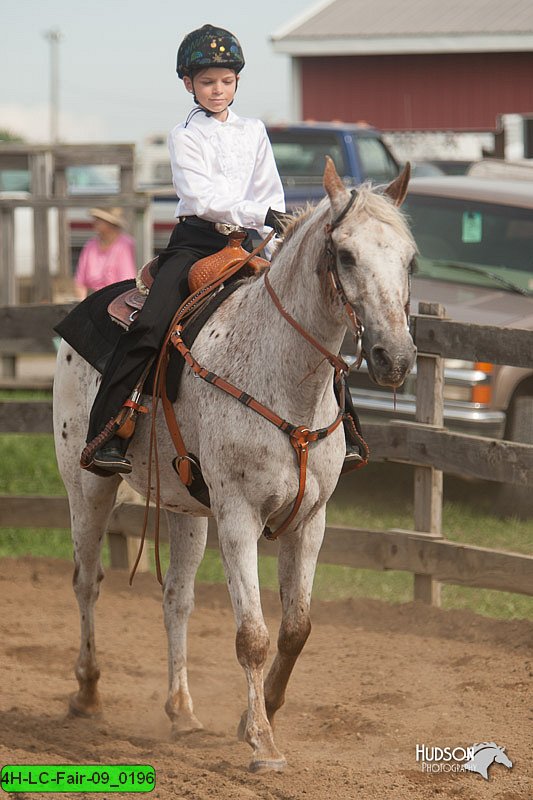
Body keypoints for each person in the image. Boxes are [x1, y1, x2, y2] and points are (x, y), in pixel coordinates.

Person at [82, 24, 288, 474]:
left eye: (226, 81)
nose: (218, 90)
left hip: (250, 241)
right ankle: (108, 430)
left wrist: (270, 225)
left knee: (303, 308)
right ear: (188, 84)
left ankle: (344, 425)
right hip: (196, 242)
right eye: (208, 82)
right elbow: (201, 198)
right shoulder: (184, 135)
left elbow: (270, 191)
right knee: (151, 324)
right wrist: (260, 214)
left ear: (237, 82)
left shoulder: (254, 131)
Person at [74, 208, 137, 300]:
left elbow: (127, 281)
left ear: (110, 224)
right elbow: (80, 282)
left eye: (99, 220)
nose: (95, 222)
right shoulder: (90, 245)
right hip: (94, 299)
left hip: (117, 299)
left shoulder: (125, 244)